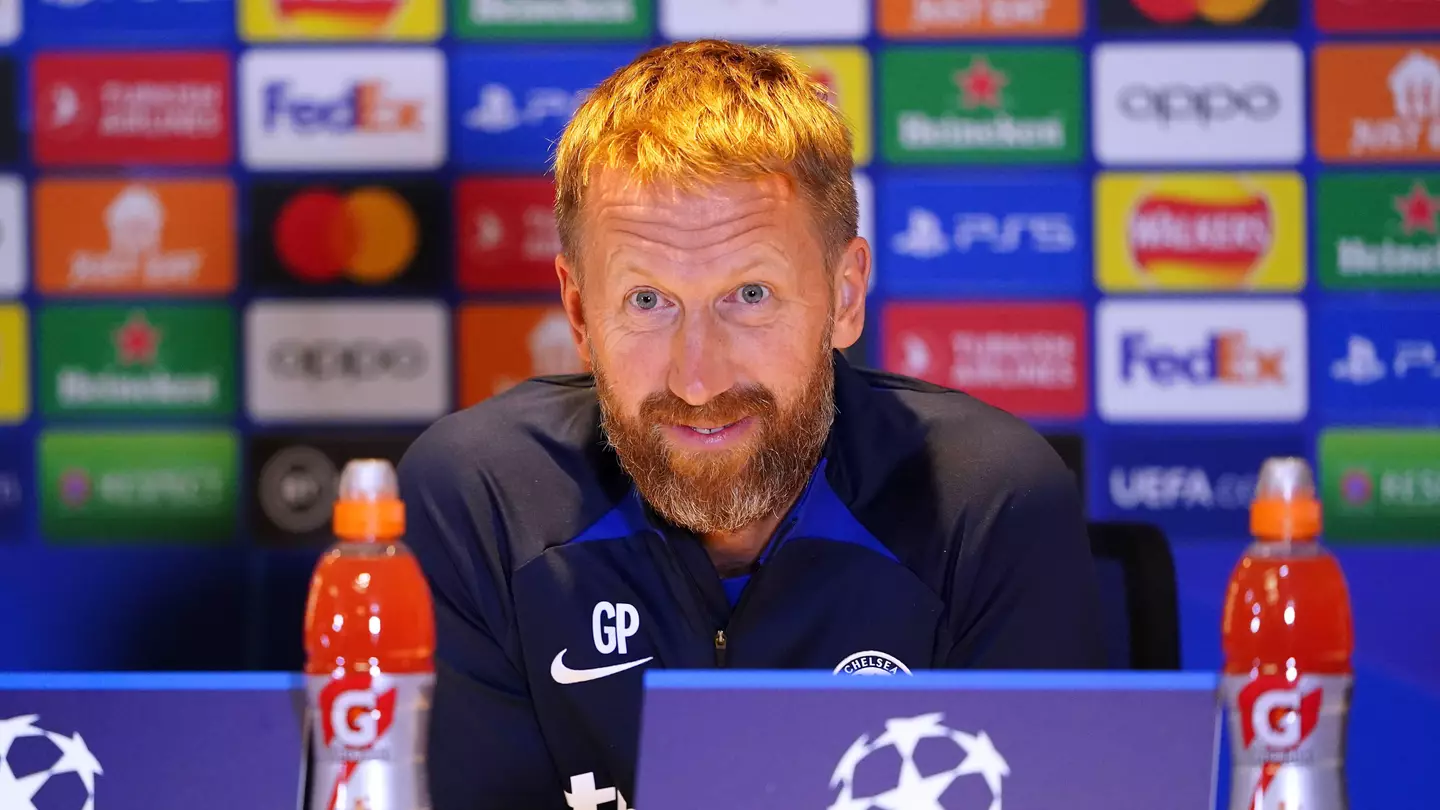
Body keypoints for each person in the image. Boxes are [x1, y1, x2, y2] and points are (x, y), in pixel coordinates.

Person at [398, 39, 1105, 810]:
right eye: (647, 300)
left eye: (751, 295)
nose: (697, 381)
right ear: (578, 309)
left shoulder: (987, 502)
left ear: (844, 295)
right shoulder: (478, 500)